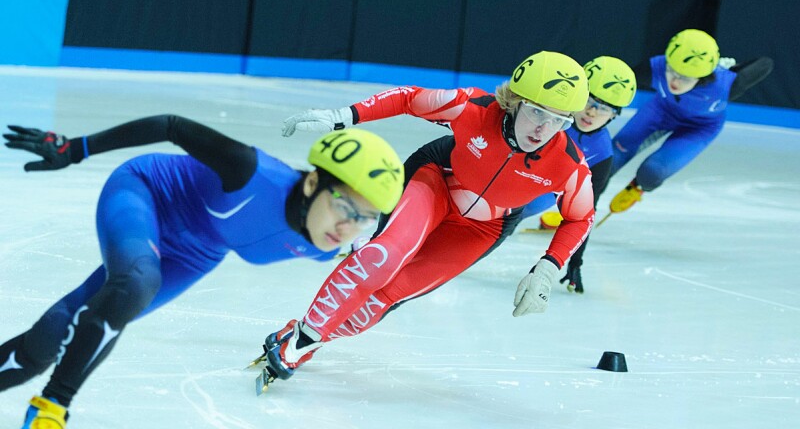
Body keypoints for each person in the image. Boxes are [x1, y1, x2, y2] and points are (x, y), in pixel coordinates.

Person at [0, 115, 404, 428]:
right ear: (313, 181)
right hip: (147, 193)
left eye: (364, 219)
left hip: (197, 253)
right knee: (138, 283)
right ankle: (52, 408)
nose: (347, 226)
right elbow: (171, 126)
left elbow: (378, 272)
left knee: (51, 342)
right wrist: (77, 148)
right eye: (344, 207)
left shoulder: (325, 244)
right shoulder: (250, 171)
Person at [257, 51, 595, 384]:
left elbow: (581, 217)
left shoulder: (568, 163)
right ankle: (301, 344)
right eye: (536, 112)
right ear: (515, 101)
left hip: (485, 227)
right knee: (386, 256)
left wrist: (549, 267)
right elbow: (409, 98)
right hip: (435, 180)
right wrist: (343, 115)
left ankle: (301, 333)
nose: (543, 128)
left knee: (379, 303)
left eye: (559, 121)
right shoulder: (474, 108)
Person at [607, 29, 774, 213]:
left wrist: (736, 69)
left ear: (703, 76)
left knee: (651, 173)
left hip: (699, 128)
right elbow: (619, 81)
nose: (674, 80)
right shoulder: (657, 67)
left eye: (685, 77)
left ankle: (637, 185)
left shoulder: (726, 84)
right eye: (671, 70)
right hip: (661, 112)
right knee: (611, 158)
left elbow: (766, 63)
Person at [518, 56, 638, 294]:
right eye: (590, 100)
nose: (592, 112)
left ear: (614, 115)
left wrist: (574, 261)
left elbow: (585, 213)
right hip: (506, 175)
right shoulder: (547, 113)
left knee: (519, 209)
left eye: (604, 108)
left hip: (537, 190)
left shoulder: (603, 153)